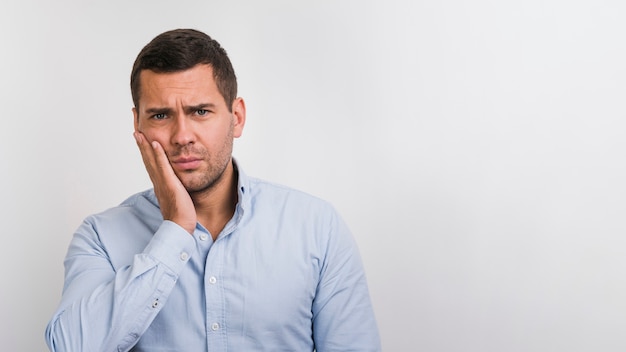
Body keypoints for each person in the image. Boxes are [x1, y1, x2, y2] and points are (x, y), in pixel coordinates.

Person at [45, 28, 381, 352]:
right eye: (161, 115)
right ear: (138, 125)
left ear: (237, 117)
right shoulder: (100, 236)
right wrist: (175, 230)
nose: (182, 136)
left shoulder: (317, 228)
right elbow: (71, 347)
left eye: (200, 112)